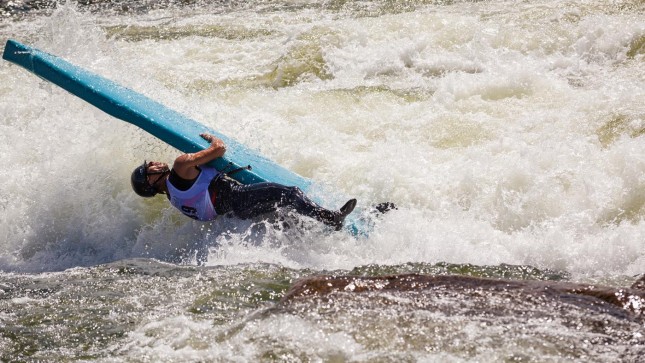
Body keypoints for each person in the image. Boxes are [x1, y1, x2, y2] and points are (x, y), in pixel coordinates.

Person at [130, 133, 357, 230]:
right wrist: (210, 138)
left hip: (236, 211)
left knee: (290, 215)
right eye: (150, 168)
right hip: (238, 196)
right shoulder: (180, 165)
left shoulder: (174, 197)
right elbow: (219, 149)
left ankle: (326, 225)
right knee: (290, 194)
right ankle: (331, 218)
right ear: (151, 182)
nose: (154, 163)